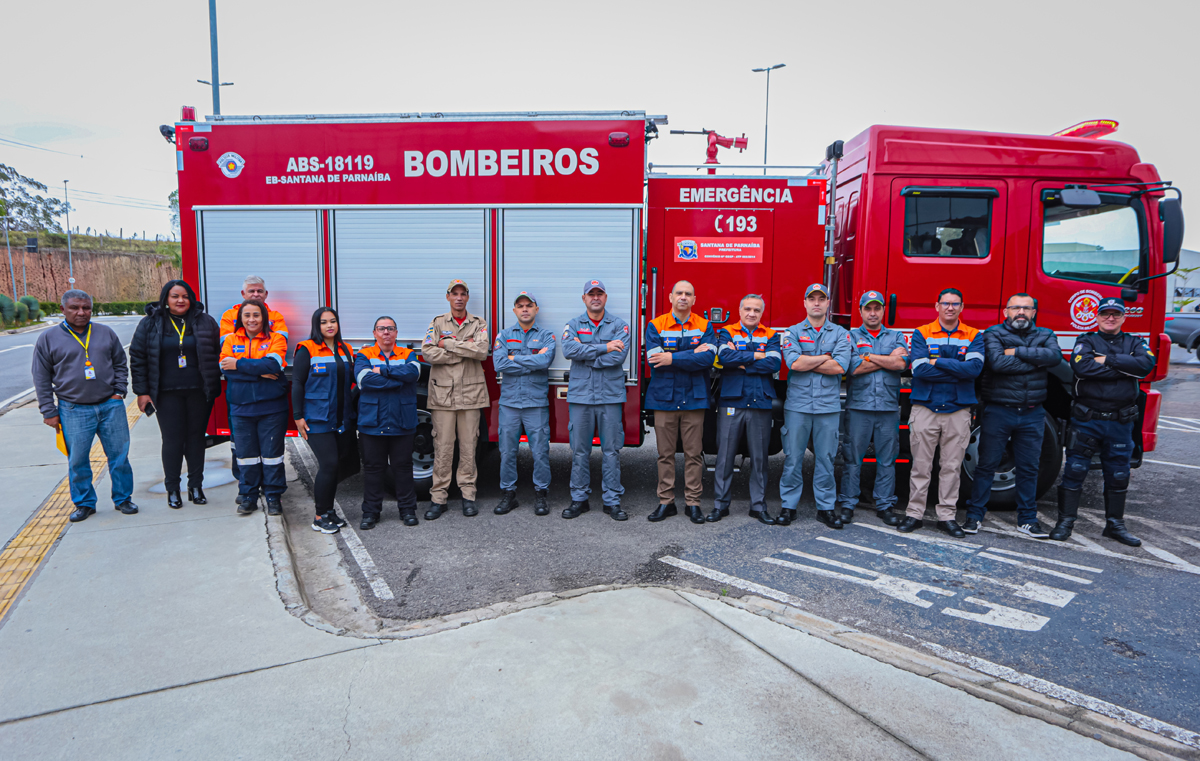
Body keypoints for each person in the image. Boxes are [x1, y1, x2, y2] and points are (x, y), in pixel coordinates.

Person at [1052, 298, 1155, 545]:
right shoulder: (1085, 341)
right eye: (1106, 314)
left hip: (1120, 421)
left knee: (1119, 473)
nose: (1110, 318)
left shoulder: (1136, 342)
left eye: (1116, 314)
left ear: (1123, 317)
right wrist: (1123, 363)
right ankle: (1065, 522)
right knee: (1075, 471)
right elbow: (1082, 368)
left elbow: (1145, 366)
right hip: (1088, 419)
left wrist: (1105, 359)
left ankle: (1115, 526)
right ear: (1097, 317)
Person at [962, 294, 1062, 537]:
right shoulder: (993, 333)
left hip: (1032, 413)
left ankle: (1027, 520)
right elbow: (997, 363)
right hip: (999, 411)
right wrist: (1036, 359)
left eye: (1026, 308)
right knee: (986, 466)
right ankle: (974, 517)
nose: (1021, 312)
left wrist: (1015, 351)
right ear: (1006, 311)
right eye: (1016, 307)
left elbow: (1055, 357)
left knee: (1029, 468)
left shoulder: (1047, 334)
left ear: (1034, 313)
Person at [33, 289, 137, 522]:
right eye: (75, 308)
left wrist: (119, 392)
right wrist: (48, 411)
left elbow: (121, 363)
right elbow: (41, 377)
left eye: (86, 308)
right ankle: (84, 503)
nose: (81, 312)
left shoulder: (105, 333)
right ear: (63, 310)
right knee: (78, 459)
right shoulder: (48, 339)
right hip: (73, 409)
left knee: (119, 456)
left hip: (110, 406)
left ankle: (123, 499)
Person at [130, 280, 222, 509]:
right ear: (166, 299)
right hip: (165, 393)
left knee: (196, 439)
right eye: (175, 296)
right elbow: (138, 358)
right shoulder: (150, 323)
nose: (180, 300)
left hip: (199, 391)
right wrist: (142, 392)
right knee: (172, 441)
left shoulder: (205, 321)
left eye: (185, 296)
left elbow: (217, 353)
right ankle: (172, 488)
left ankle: (196, 486)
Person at [900, 288, 984, 536]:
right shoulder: (921, 333)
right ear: (936, 306)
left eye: (955, 303)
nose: (950, 308)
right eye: (945, 303)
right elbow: (919, 370)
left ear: (962, 307)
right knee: (920, 467)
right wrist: (957, 367)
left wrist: (936, 361)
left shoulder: (973, 335)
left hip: (958, 411)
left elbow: (974, 370)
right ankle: (914, 514)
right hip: (926, 408)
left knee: (951, 467)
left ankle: (946, 517)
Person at [645, 281, 717, 525]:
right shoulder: (656, 325)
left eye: (688, 294)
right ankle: (666, 502)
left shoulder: (705, 325)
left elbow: (707, 359)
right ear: (670, 297)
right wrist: (691, 355)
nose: (683, 297)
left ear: (694, 299)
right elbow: (654, 360)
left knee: (693, 454)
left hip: (694, 398)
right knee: (664, 454)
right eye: (679, 293)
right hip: (664, 398)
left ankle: (693, 503)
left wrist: (672, 357)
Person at [779, 283, 851, 528]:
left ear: (828, 303)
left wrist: (807, 359)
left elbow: (841, 367)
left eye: (822, 298)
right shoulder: (792, 331)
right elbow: (794, 364)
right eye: (812, 299)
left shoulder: (841, 334)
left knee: (826, 459)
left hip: (827, 409)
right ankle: (788, 506)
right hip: (798, 407)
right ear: (805, 303)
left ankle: (825, 508)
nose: (817, 303)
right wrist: (825, 357)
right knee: (792, 458)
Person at [561, 279, 631, 520]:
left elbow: (617, 359)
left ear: (605, 297)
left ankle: (612, 500)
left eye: (600, 293)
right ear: (584, 298)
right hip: (581, 397)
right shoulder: (573, 324)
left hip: (609, 397)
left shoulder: (620, 326)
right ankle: (579, 499)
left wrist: (586, 352)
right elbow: (569, 351)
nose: (595, 297)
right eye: (591, 294)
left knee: (611, 451)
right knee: (580, 451)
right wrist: (604, 347)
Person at [421, 280, 490, 520]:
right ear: (448, 297)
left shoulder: (479, 323)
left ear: (468, 298)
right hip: (443, 396)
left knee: (469, 447)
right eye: (455, 294)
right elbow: (428, 352)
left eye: (463, 294)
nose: (459, 298)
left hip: (470, 395)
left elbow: (482, 351)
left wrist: (448, 345)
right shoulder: (437, 322)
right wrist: (464, 350)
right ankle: (438, 498)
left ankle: (468, 495)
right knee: (443, 448)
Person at [838, 291, 908, 527]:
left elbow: (900, 364)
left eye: (877, 308)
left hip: (888, 408)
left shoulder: (896, 335)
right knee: (852, 458)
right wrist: (886, 357)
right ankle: (848, 504)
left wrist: (868, 356)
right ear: (860, 311)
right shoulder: (851, 336)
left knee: (887, 459)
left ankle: (885, 505)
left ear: (883, 311)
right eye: (868, 308)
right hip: (859, 407)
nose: (873, 313)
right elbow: (853, 368)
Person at [711, 294, 781, 524]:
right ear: (740, 310)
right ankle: (720, 505)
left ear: (762, 313)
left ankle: (758, 507)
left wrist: (741, 362)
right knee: (725, 456)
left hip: (760, 400)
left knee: (760, 458)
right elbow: (723, 356)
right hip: (732, 400)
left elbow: (774, 363)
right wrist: (755, 356)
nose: (752, 313)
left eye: (757, 310)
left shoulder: (771, 335)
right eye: (748, 309)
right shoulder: (727, 331)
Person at [219, 276, 289, 495]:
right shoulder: (230, 331)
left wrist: (238, 365)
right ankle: (247, 493)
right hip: (241, 403)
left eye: (260, 291)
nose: (251, 319)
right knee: (244, 453)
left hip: (270, 405)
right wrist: (258, 373)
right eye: (247, 315)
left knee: (272, 455)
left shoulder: (276, 327)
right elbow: (225, 368)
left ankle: (273, 495)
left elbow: (273, 365)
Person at [293, 307, 358, 534]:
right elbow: (297, 383)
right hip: (317, 419)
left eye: (333, 321)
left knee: (335, 466)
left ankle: (329, 512)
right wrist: (298, 416)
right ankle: (320, 515)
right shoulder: (306, 349)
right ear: (316, 326)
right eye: (324, 322)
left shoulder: (345, 349)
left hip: (341, 418)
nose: (329, 326)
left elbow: (351, 379)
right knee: (328, 464)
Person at [492, 291, 557, 516]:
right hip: (510, 403)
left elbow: (545, 360)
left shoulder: (547, 336)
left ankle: (541, 495)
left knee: (540, 452)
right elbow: (499, 363)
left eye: (529, 305)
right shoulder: (504, 335)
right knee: (507, 452)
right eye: (520, 306)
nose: (525, 309)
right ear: (514, 311)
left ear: (536, 309)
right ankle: (509, 495)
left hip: (535, 404)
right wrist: (531, 361)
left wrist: (514, 358)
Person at [354, 316, 422, 530]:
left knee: (403, 467)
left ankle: (408, 510)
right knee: (374, 469)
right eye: (381, 329)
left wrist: (383, 371)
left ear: (396, 333)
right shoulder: (364, 354)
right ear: (374, 333)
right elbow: (364, 380)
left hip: (402, 421)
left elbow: (413, 374)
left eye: (390, 329)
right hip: (373, 421)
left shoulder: (408, 354)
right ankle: (371, 512)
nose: (386, 332)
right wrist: (396, 381)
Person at [218, 276, 290, 342]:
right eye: (251, 291)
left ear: (266, 294)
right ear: (243, 294)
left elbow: (280, 341)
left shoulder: (276, 317)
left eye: (260, 291)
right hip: (237, 356)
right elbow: (226, 343)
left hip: (266, 356)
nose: (256, 294)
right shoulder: (229, 315)